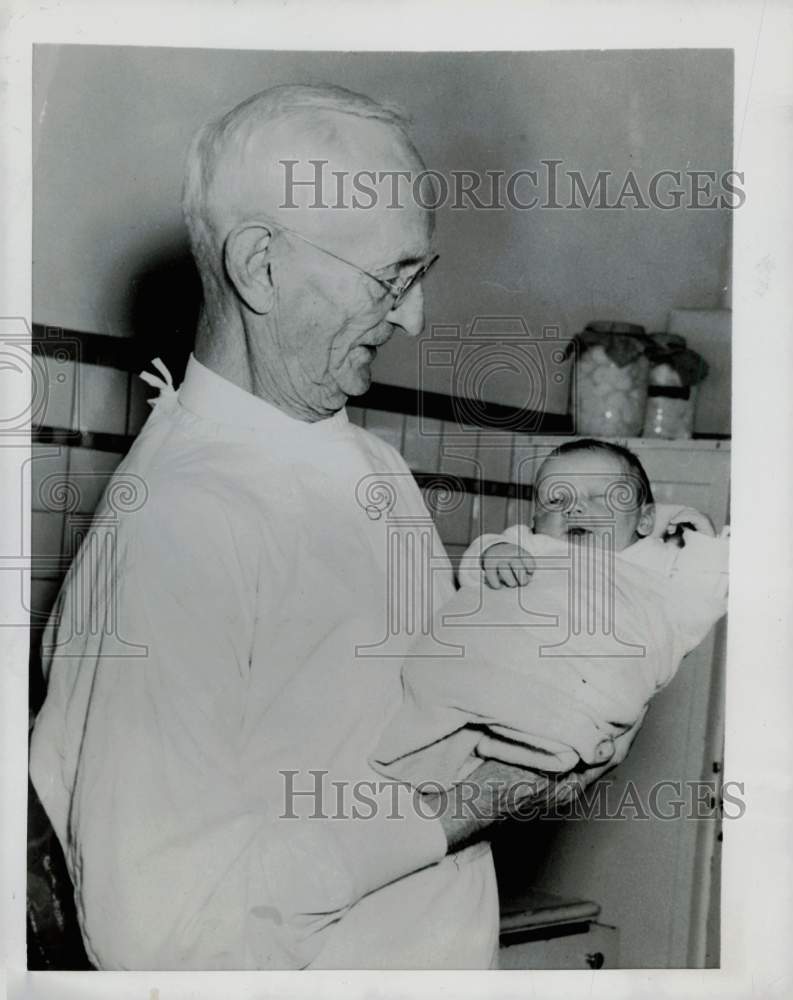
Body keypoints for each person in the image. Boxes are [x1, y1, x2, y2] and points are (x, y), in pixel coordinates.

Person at [29, 85, 638, 971]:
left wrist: (552, 724)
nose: (413, 318)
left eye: (419, 276)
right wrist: (489, 793)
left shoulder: (367, 468)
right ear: (261, 267)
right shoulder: (179, 525)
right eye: (390, 278)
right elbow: (162, 937)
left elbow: (409, 744)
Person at [372, 439, 729, 789]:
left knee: (566, 700)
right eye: (557, 499)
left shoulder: (652, 564)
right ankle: (434, 746)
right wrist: (495, 554)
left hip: (580, 671)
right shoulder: (529, 543)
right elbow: (475, 569)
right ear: (535, 518)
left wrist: (702, 538)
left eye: (598, 498)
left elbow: (698, 595)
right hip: (502, 658)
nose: (574, 508)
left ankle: (541, 742)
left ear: (645, 520)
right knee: (453, 662)